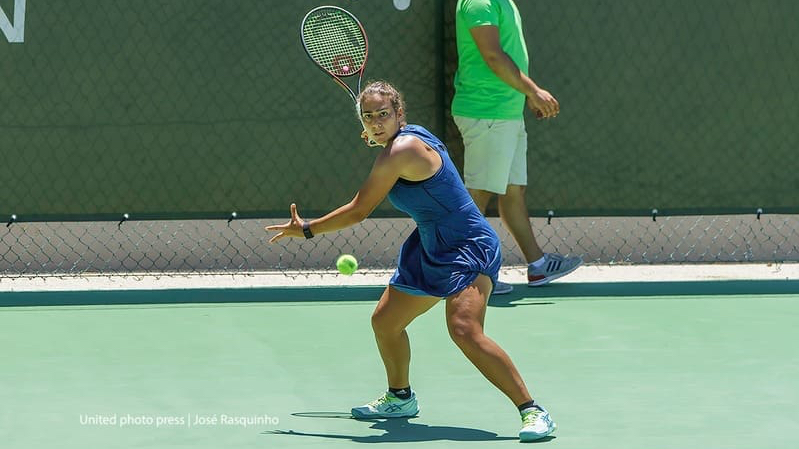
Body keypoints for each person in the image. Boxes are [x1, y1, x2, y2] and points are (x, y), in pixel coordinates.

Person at [266, 80, 555, 442]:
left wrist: (308, 229)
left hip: (468, 246)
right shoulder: (407, 137)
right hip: (430, 246)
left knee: (464, 329)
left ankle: (533, 410)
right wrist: (380, 138)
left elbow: (359, 210)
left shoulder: (401, 150)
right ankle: (400, 398)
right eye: (368, 117)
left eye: (383, 115)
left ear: (399, 113)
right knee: (386, 322)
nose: (375, 123)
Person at [452, 0, 582, 294]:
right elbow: (493, 55)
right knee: (478, 195)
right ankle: (467, 274)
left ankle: (538, 265)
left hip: (507, 112)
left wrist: (525, 96)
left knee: (513, 191)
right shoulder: (479, 2)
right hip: (486, 112)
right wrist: (533, 91)